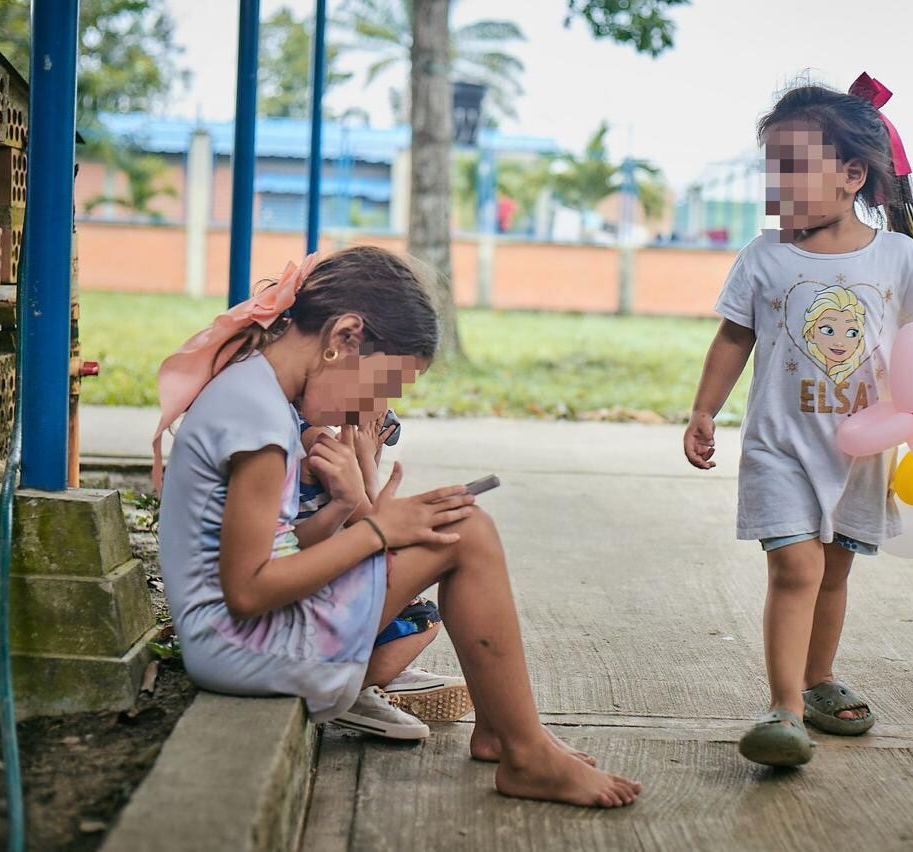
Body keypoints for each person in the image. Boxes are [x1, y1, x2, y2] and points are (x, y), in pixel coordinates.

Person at [154, 245, 641, 807]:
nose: (377, 409)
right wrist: (378, 532)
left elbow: (280, 547)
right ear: (345, 337)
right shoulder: (260, 422)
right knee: (468, 534)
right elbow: (248, 591)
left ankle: (503, 732)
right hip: (247, 646)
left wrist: (361, 517)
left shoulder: (257, 396)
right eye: (383, 388)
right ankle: (525, 752)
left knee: (457, 522)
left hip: (240, 638)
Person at [682, 74, 913, 767]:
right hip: (781, 447)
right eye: (769, 172)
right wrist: (703, 410)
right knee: (794, 567)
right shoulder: (764, 257)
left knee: (834, 573)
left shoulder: (897, 256)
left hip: (860, 455)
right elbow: (733, 339)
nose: (774, 190)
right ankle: (781, 707)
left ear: (851, 175)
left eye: (790, 171)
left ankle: (816, 679)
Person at [296, 418, 471, 740]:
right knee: (422, 610)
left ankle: (375, 681)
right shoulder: (323, 444)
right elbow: (379, 525)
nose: (386, 410)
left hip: (319, 593)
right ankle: (358, 688)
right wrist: (365, 458)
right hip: (307, 601)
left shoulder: (326, 437)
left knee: (418, 616)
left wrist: (369, 454)